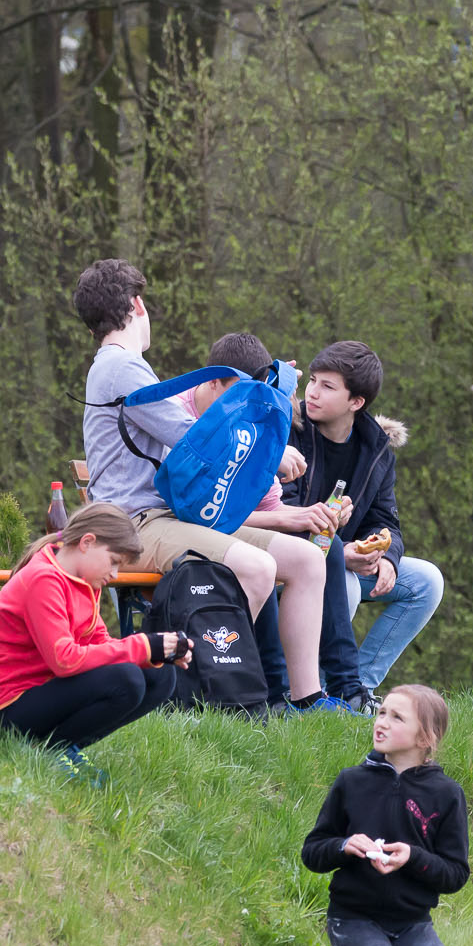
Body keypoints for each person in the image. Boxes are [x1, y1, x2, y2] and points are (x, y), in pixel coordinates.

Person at [74, 259, 349, 712]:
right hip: (134, 525)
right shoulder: (122, 368)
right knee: (258, 568)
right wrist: (271, 449)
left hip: (166, 518)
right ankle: (213, 690)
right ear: (137, 306)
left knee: (304, 559)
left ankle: (307, 699)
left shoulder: (123, 367)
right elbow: (194, 441)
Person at [182, 332, 357, 714]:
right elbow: (198, 513)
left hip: (229, 533)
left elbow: (267, 505)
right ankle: (275, 693)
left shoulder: (250, 419)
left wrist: (314, 516)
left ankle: (317, 695)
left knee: (323, 549)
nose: (245, 406)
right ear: (213, 381)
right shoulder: (180, 419)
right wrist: (288, 515)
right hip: (182, 530)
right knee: (264, 561)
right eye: (239, 394)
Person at [0, 502, 191, 785]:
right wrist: (144, 645)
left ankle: (63, 746)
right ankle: (52, 748)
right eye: (113, 561)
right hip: (7, 712)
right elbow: (65, 660)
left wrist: (158, 652)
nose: (114, 574)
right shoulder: (43, 579)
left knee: (160, 674)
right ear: (87, 542)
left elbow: (100, 642)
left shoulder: (83, 581)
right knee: (126, 680)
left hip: (45, 694)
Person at [284, 342, 446, 708]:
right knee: (345, 584)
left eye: (327, 386)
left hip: (351, 558)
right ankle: (316, 690)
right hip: (298, 560)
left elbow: (385, 519)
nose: (312, 392)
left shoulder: (375, 448)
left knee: (426, 581)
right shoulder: (290, 433)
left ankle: (360, 688)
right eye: (312, 380)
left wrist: (387, 556)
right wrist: (341, 554)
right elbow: (284, 513)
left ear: (356, 402)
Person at [299, 685, 469, 946]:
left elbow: (455, 874)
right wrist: (344, 845)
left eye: (396, 717)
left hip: (412, 924)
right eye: (381, 712)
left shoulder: (447, 794)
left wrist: (413, 857)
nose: (382, 722)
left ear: (425, 738)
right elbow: (313, 851)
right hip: (352, 919)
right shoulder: (351, 782)